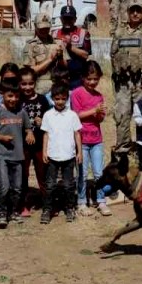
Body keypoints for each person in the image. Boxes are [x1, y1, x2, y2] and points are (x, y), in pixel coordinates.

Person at [0, 79, 34, 229]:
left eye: (16, 96)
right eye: (10, 96)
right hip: (0, 154)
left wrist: (29, 134)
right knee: (4, 185)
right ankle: (2, 213)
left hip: (17, 155)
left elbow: (27, 128)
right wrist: (2, 138)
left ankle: (15, 211)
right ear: (3, 94)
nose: (13, 99)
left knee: (17, 186)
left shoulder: (21, 112)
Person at [110, 0, 142, 156]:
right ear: (127, 12)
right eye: (132, 10)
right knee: (122, 115)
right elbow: (113, 54)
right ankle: (123, 150)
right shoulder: (119, 33)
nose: (135, 13)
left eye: (138, 10)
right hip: (124, 83)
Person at [40, 84, 84, 224]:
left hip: (69, 156)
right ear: (52, 99)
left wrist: (80, 152)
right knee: (50, 184)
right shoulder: (48, 115)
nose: (60, 101)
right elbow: (46, 134)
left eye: (63, 99)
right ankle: (47, 209)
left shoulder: (72, 115)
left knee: (68, 185)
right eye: (57, 99)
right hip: (53, 156)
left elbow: (77, 134)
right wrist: (44, 151)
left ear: (67, 99)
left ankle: (69, 208)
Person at [70, 61, 109, 215]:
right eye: (89, 78)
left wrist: (99, 114)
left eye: (95, 79)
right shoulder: (76, 93)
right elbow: (76, 115)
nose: (92, 82)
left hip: (96, 140)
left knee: (99, 172)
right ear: (82, 78)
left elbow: (100, 119)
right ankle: (81, 201)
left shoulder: (99, 96)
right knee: (82, 173)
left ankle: (101, 200)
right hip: (81, 141)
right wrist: (94, 110)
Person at [19, 67, 51, 215]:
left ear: (35, 83)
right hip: (22, 146)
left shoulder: (43, 100)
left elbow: (50, 121)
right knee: (23, 175)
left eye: (30, 83)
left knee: (42, 174)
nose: (27, 87)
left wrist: (42, 121)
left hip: (39, 145)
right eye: (24, 84)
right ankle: (23, 204)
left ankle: (47, 204)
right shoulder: (17, 100)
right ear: (19, 84)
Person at [25, 14, 66, 94]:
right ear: (35, 26)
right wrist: (50, 60)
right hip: (39, 87)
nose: (44, 31)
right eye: (41, 28)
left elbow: (66, 66)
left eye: (46, 28)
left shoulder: (58, 43)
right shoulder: (30, 46)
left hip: (58, 86)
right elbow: (30, 71)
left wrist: (60, 57)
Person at [55, 6, 91, 90]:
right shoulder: (54, 34)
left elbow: (86, 55)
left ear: (75, 19)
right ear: (61, 19)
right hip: (60, 75)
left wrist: (70, 47)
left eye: (70, 18)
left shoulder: (83, 33)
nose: (67, 21)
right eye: (65, 18)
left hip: (77, 76)